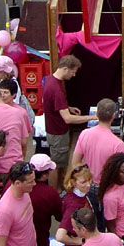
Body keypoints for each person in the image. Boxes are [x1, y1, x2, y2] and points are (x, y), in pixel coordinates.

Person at [42, 55, 87, 187]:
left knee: (60, 163)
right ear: (66, 69)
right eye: (73, 72)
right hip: (58, 132)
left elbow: (52, 104)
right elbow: (68, 118)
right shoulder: (56, 89)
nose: (73, 75)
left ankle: (59, 188)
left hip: (53, 129)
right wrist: (92, 117)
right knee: (56, 165)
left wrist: (66, 107)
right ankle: (55, 191)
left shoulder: (50, 80)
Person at [0, 162, 39, 246]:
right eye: (30, 182)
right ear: (18, 183)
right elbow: (0, 244)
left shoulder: (25, 193)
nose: (34, 184)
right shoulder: (4, 210)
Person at [71, 98, 124, 179]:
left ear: (96, 114)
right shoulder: (118, 144)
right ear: (113, 116)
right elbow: (119, 173)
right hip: (107, 186)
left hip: (88, 183)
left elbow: (75, 163)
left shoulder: (84, 134)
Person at [56, 164, 101, 246]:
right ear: (73, 182)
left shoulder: (79, 194)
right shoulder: (74, 205)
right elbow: (60, 236)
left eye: (89, 180)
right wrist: (78, 241)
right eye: (83, 182)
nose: (88, 185)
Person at [27, 154, 63, 246]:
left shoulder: (15, 186)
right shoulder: (49, 194)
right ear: (44, 175)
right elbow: (60, 216)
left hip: (17, 245)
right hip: (40, 244)